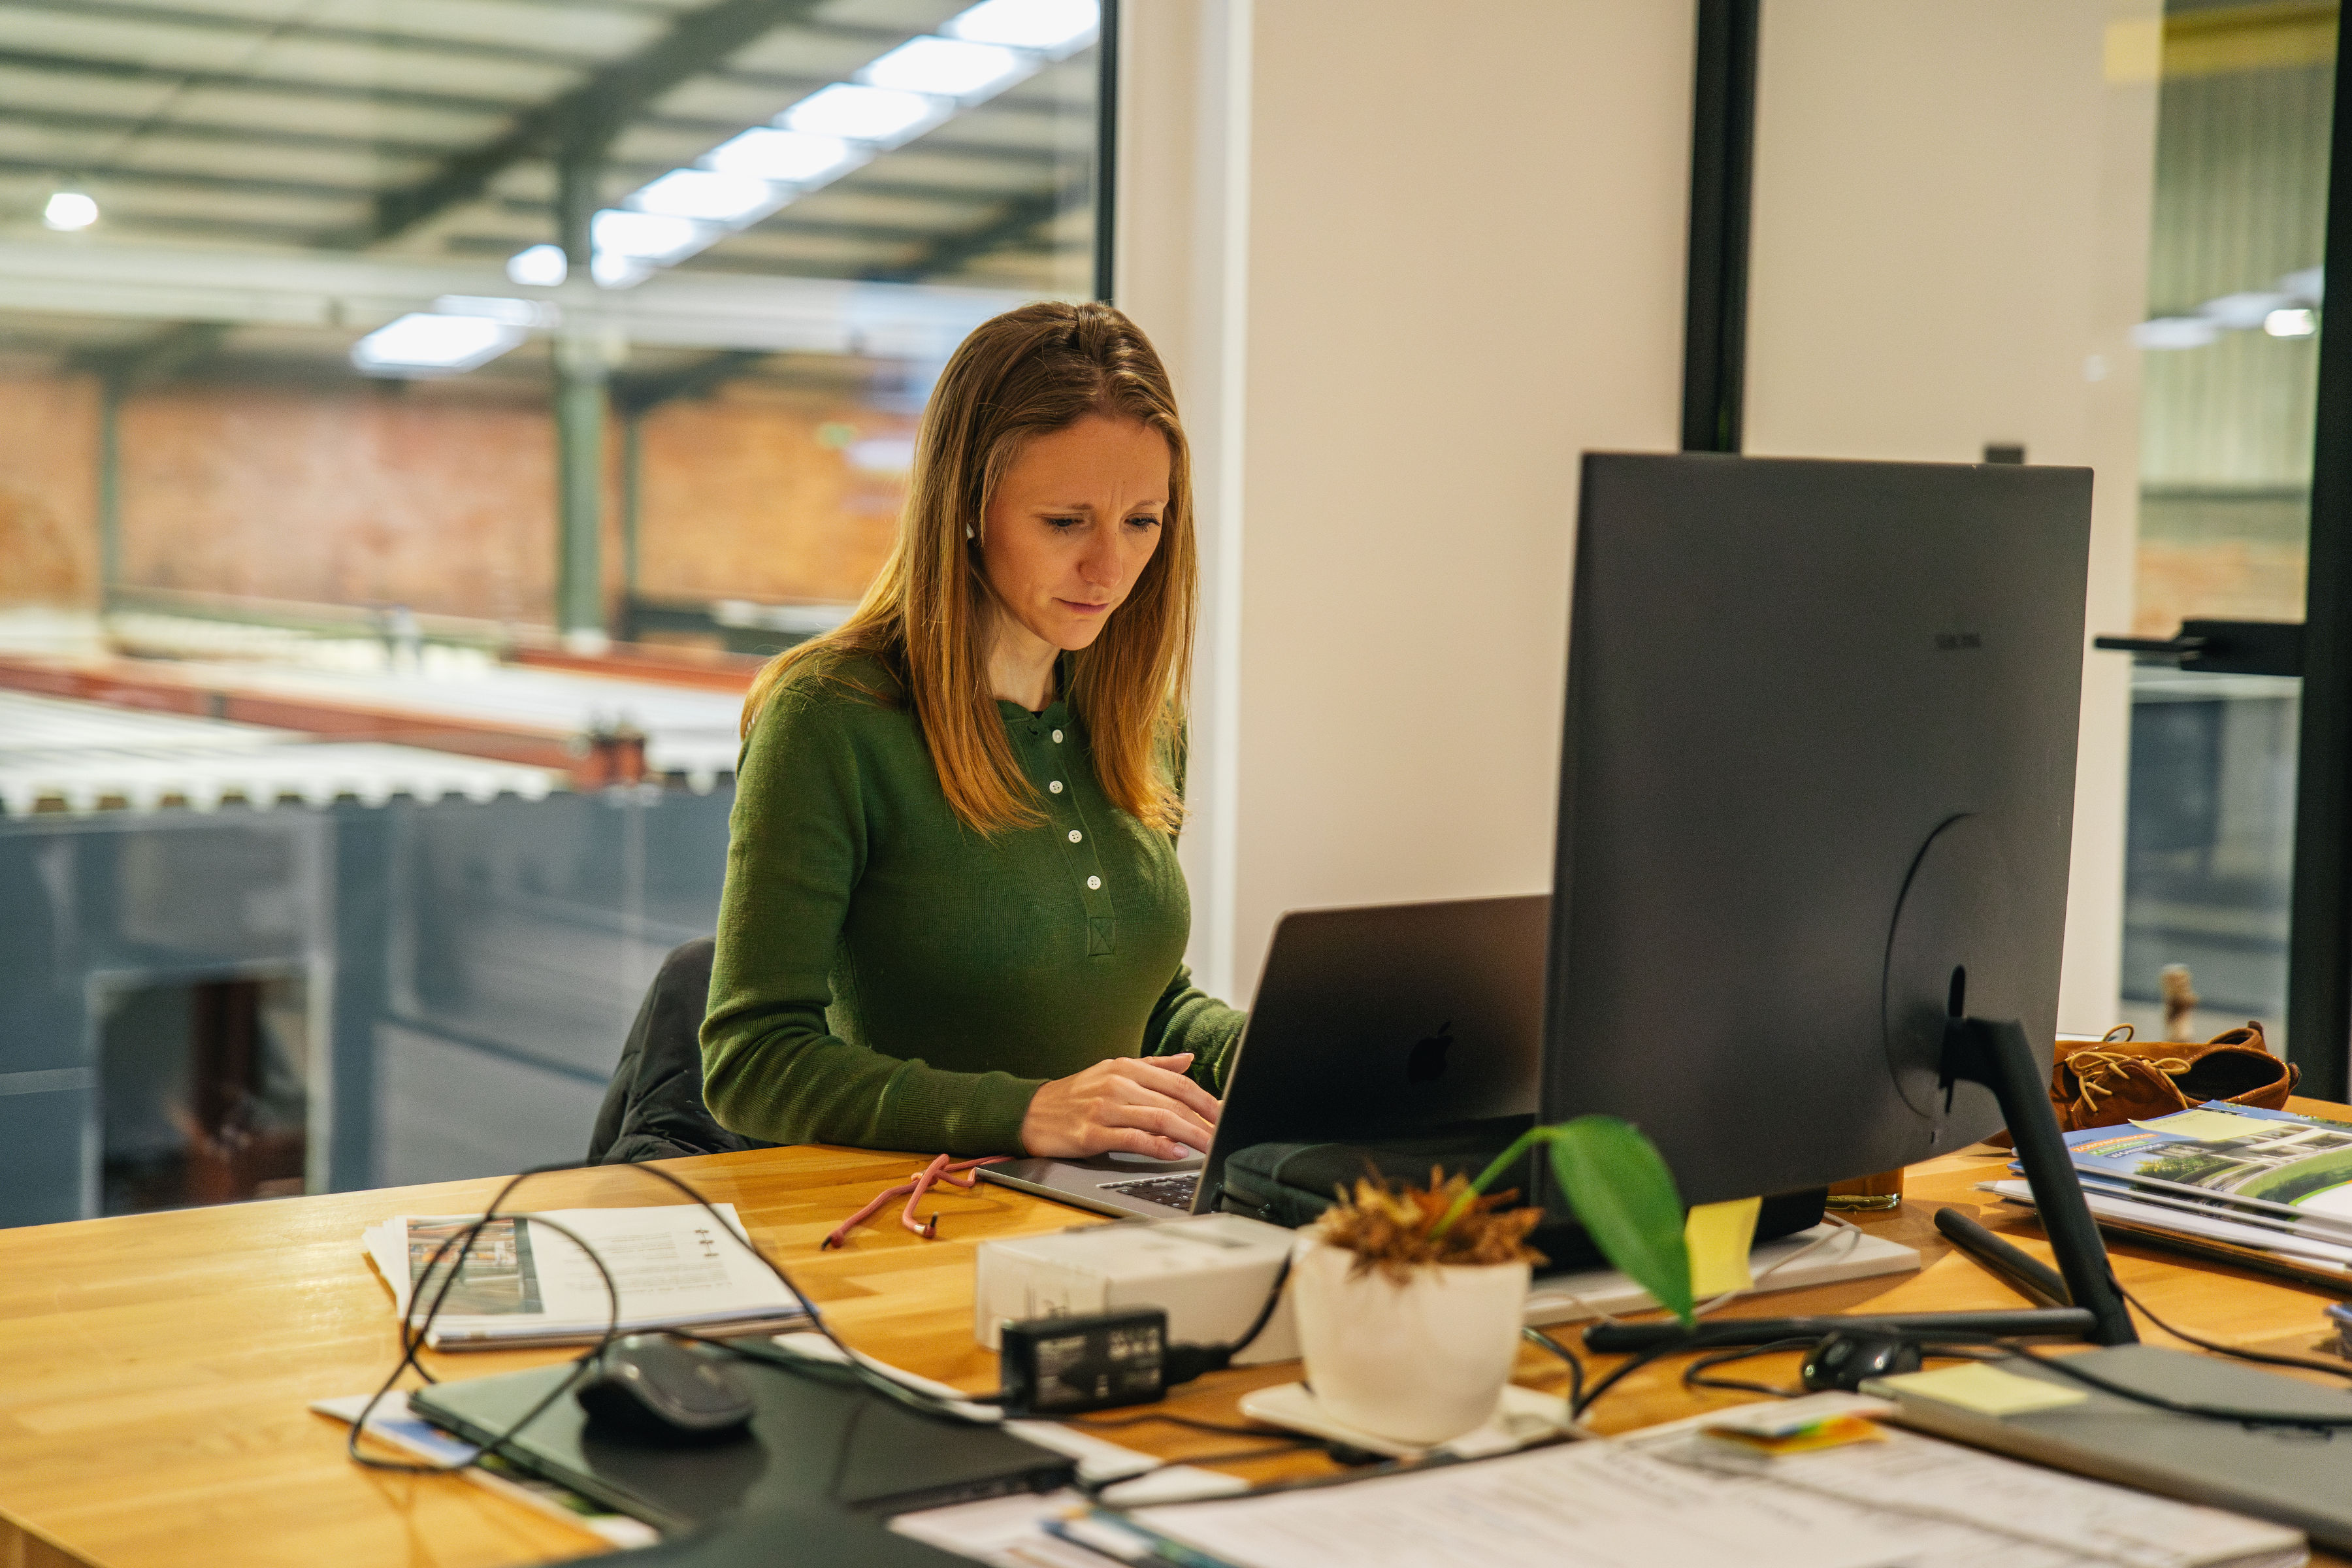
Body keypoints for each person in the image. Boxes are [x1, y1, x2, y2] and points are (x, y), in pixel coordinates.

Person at [700, 301, 1245, 1160]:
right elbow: (751, 1063)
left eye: (1142, 522)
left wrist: (1263, 1054)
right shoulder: (829, 718)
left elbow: (1145, 1001)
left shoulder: (1140, 715)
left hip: (1095, 1206)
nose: (1110, 570)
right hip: (903, 1222)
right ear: (966, 506)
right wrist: (1028, 1113)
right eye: (1065, 523)